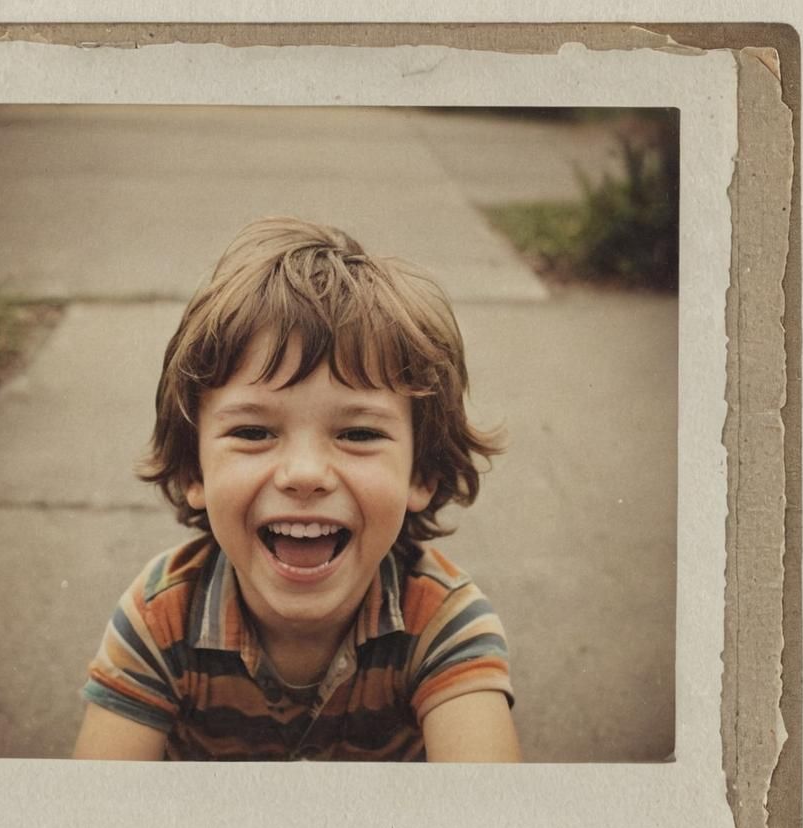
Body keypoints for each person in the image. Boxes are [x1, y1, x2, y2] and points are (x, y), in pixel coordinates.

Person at [73, 217, 521, 762]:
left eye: (358, 433)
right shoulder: (161, 617)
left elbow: (492, 822)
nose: (305, 474)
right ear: (194, 471)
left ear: (420, 474)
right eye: (253, 432)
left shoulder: (443, 623)